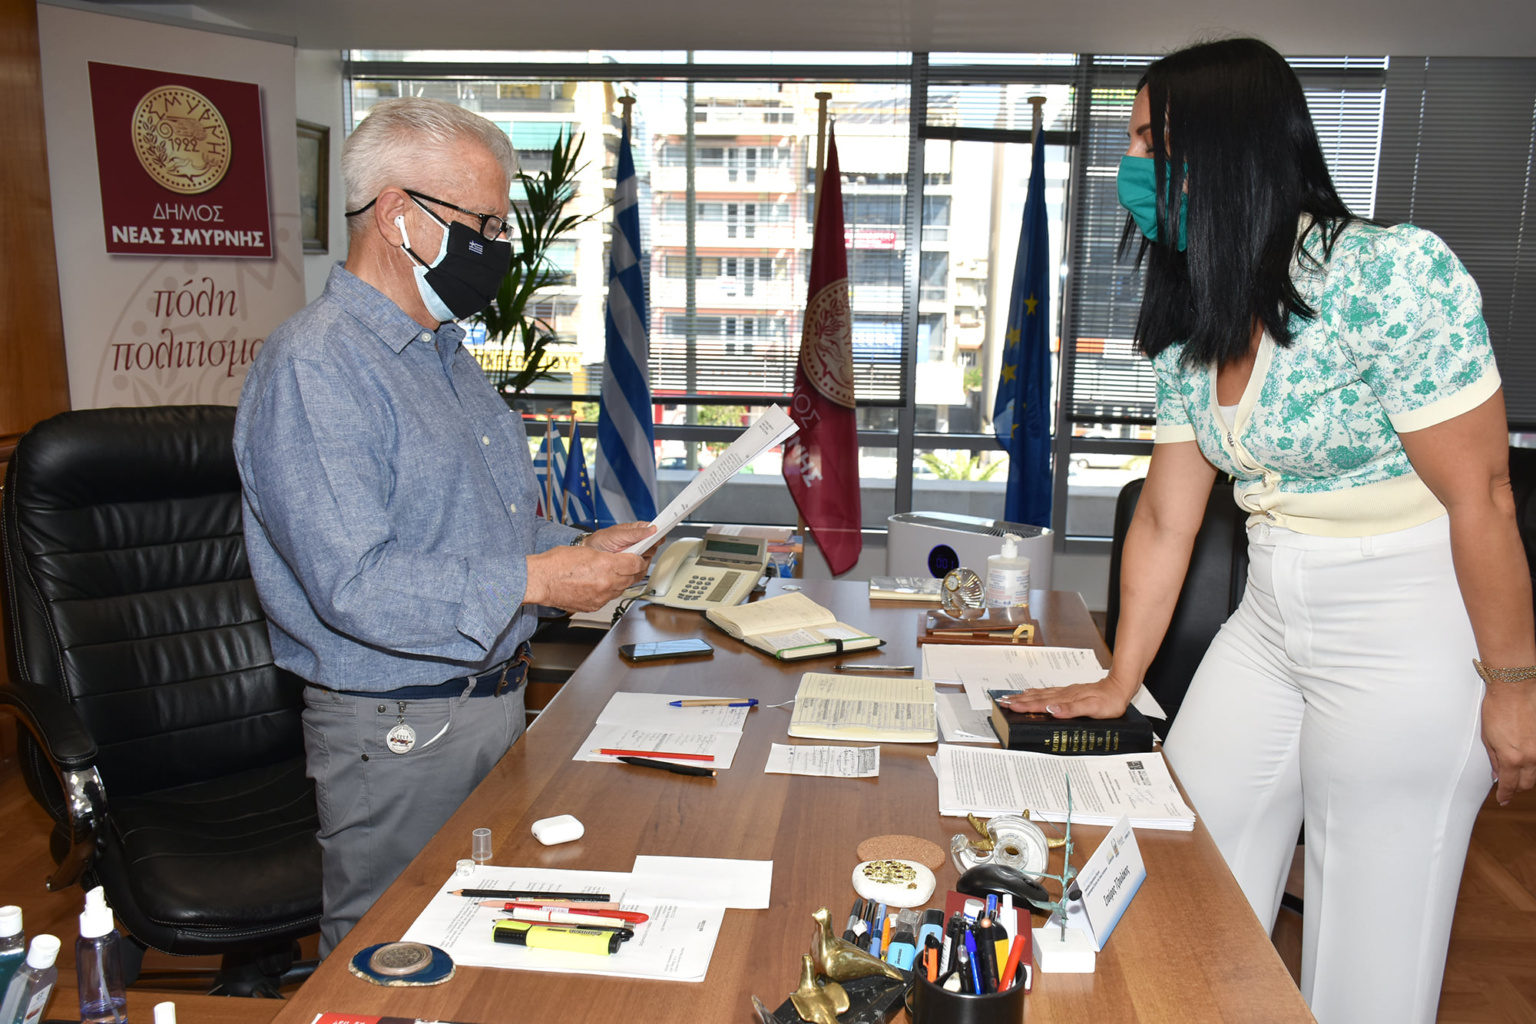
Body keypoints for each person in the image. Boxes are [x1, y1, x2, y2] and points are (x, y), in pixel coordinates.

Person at [1000, 38, 1536, 1024]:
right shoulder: (1197, 316)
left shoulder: (1387, 274)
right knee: (1184, 861)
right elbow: (1167, 515)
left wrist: (1513, 683)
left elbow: (1486, 498)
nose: (1130, 168)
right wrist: (1120, 679)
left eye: (1149, 141)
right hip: (1271, 611)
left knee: (1366, 959)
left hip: (1407, 624)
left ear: (1229, 147)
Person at [234, 96, 655, 956]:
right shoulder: (316, 366)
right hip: (400, 726)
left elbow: (478, 530)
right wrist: (541, 580)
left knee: (479, 946)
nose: (499, 247)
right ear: (398, 215)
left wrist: (572, 549)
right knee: (392, 957)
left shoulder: (442, 353)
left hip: (491, 702)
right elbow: (355, 585)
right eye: (485, 225)